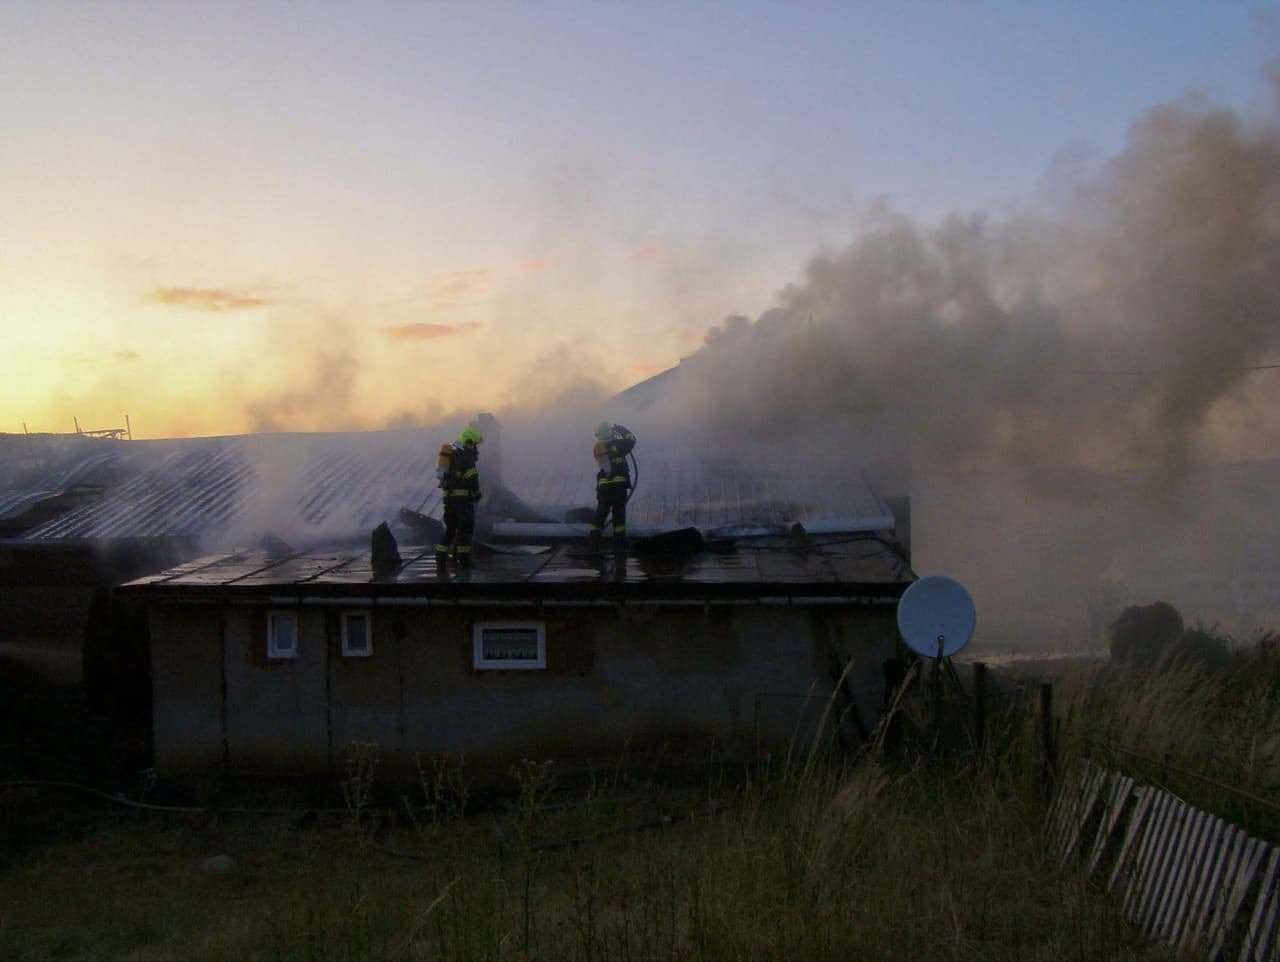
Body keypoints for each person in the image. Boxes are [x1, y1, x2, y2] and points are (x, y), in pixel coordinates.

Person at [435, 426, 483, 569]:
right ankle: (463, 560)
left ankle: (440, 557)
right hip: (463, 501)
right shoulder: (466, 457)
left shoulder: (451, 455)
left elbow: (443, 476)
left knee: (450, 529)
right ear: (468, 442)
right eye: (474, 444)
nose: (475, 448)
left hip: (448, 500)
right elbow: (472, 479)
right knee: (465, 529)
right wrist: (477, 494)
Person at [588, 421, 636, 553]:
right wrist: (620, 429)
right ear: (611, 432)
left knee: (601, 513)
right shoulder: (619, 445)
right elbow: (632, 439)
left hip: (604, 487)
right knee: (618, 514)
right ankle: (620, 543)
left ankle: (593, 541)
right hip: (618, 486)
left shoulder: (598, 447)